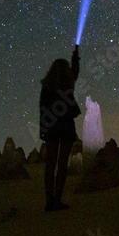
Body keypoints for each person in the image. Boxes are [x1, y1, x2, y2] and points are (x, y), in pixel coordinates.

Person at [39, 44, 80, 211]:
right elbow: (75, 71)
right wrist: (75, 55)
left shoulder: (47, 87)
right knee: (62, 164)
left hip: (51, 127)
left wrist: (43, 128)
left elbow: (42, 108)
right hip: (66, 127)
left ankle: (49, 202)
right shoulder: (68, 86)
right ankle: (57, 200)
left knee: (50, 164)